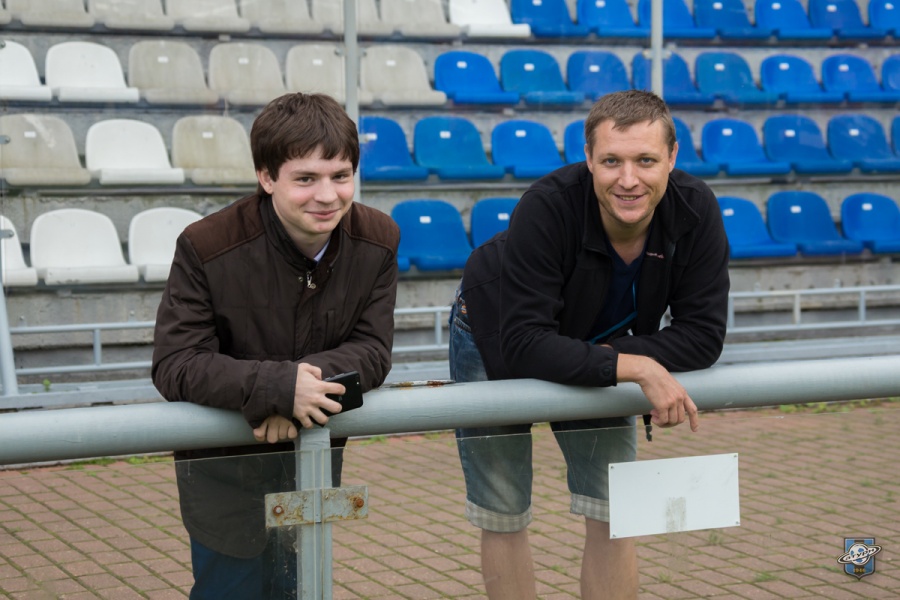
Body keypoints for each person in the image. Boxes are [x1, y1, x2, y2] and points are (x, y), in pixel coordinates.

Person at [449, 90, 730, 599]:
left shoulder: (695, 207)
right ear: (588, 158)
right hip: (494, 330)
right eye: (611, 161)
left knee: (614, 506)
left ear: (672, 157)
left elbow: (704, 334)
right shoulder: (546, 204)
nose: (629, 179)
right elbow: (525, 342)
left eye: (646, 160)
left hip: (601, 342)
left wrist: (621, 359)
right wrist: (637, 366)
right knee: (503, 506)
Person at [152, 92, 400, 599]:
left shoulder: (379, 239)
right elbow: (176, 363)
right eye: (305, 179)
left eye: (341, 175)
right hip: (224, 476)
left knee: (302, 589)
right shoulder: (206, 245)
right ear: (266, 177)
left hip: (311, 465)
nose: (327, 195)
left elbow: (374, 350)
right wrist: (278, 388)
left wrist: (297, 389)